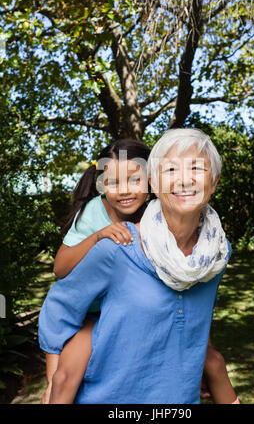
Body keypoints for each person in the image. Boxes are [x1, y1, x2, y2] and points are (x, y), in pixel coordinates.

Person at [39, 128, 239, 404]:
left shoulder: (213, 250)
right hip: (90, 313)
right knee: (65, 376)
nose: (183, 180)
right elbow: (61, 275)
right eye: (171, 170)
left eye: (196, 168)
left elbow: (196, 313)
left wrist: (202, 357)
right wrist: (52, 376)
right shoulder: (108, 230)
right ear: (156, 182)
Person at [41, 139, 152, 404]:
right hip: (84, 315)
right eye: (113, 182)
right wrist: (98, 237)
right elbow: (60, 268)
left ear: (151, 180)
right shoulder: (95, 211)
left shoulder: (157, 215)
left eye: (135, 180)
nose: (124, 191)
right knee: (59, 384)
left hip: (129, 314)